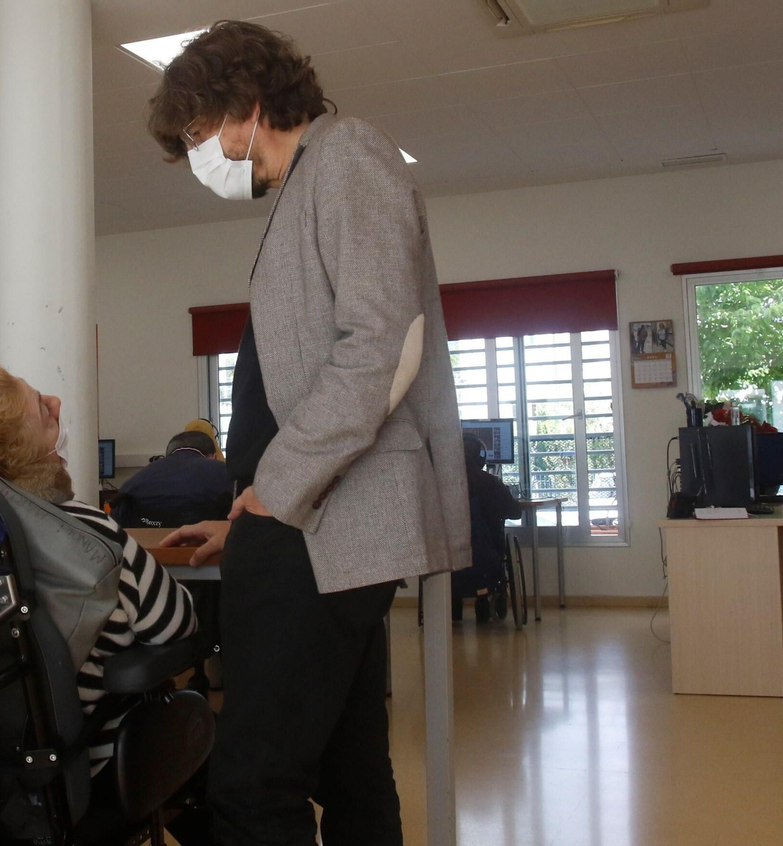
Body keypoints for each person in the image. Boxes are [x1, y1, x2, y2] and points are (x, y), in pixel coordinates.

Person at [147, 21, 471, 846]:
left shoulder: (348, 154)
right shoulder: (307, 185)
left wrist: (278, 489)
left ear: (246, 106)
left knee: (254, 784)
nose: (199, 156)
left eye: (197, 134)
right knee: (351, 770)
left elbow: (382, 345)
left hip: (322, 521)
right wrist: (247, 509)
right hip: (305, 517)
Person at [0, 362, 207, 842]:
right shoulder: (84, 531)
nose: (58, 406)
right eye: (42, 409)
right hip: (75, 767)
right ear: (22, 449)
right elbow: (175, 624)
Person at [455, 433, 522, 623]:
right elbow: (516, 513)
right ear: (481, 458)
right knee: (485, 549)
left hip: (452, 557)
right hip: (487, 556)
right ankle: (483, 601)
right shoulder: (492, 483)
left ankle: (453, 604)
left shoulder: (444, 486)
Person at [111, 429, 233, 528]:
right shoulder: (224, 471)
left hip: (145, 549)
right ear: (213, 457)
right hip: (206, 550)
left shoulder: (138, 478)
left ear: (168, 455)